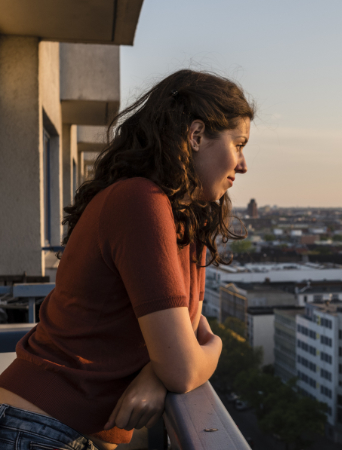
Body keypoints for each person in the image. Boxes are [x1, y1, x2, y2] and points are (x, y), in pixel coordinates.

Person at [0, 69, 254, 450]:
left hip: (56, 433)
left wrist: (157, 371)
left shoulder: (185, 223)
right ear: (197, 135)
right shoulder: (140, 202)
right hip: (38, 429)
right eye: (239, 144)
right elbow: (185, 363)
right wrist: (215, 347)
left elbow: (185, 333)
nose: (244, 165)